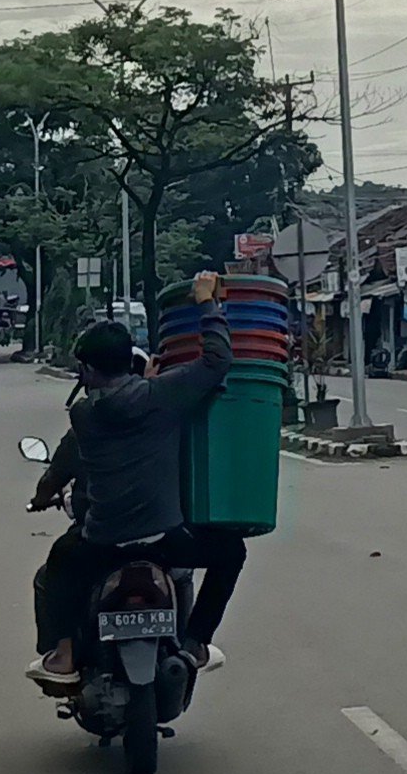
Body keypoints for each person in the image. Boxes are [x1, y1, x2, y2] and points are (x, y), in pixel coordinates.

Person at [27, 270, 245, 690]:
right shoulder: (162, 396)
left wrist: (41, 497)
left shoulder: (83, 415)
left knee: (58, 567)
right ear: (130, 361)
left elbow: (59, 470)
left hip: (103, 543)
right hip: (164, 539)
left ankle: (65, 655)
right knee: (230, 553)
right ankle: (197, 642)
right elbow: (218, 360)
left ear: (87, 369)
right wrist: (206, 302)